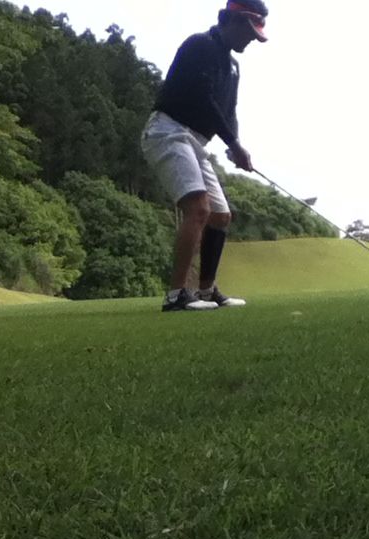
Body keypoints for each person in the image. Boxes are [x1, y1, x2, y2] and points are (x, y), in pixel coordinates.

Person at [141, 0, 268, 311]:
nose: (251, 40)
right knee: (199, 209)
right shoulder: (200, 46)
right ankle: (176, 295)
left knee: (220, 216)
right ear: (234, 21)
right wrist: (233, 144)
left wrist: (235, 143)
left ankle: (207, 291)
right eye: (250, 32)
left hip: (196, 142)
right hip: (167, 131)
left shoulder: (233, 66)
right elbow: (204, 98)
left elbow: (228, 111)